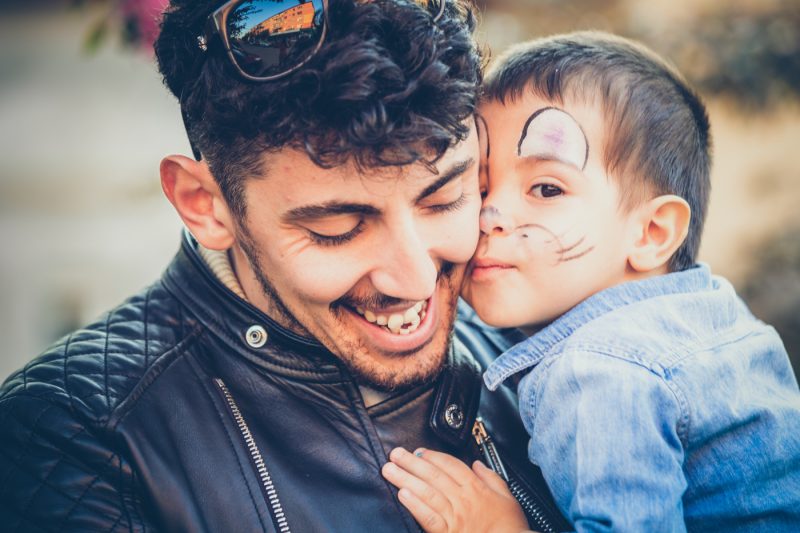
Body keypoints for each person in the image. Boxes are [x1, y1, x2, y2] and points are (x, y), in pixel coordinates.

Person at [0, 1, 574, 531]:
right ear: (206, 205)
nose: (416, 281)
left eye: (446, 199)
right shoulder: (74, 437)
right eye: (337, 229)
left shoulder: (548, 337)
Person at [382, 31, 800, 532]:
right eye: (479, 187)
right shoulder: (713, 312)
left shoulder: (598, 374)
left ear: (651, 232)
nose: (490, 215)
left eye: (546, 188)